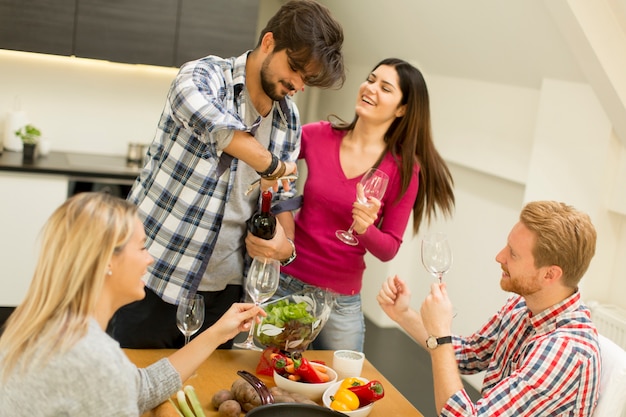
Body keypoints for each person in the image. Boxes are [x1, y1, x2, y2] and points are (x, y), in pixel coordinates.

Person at [109, 0, 345, 349]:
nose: (297, 84)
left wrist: (285, 245)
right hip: (154, 277)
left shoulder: (289, 118)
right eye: (295, 68)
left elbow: (281, 204)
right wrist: (272, 165)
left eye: (306, 79)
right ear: (269, 42)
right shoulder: (204, 76)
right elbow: (216, 127)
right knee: (129, 391)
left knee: (204, 396)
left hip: (226, 292)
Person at [246, 58, 455, 351]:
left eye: (385, 88)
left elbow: (388, 248)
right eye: (370, 80)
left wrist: (365, 228)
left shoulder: (404, 169)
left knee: (344, 388)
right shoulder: (318, 135)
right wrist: (283, 212)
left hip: (341, 302)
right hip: (285, 284)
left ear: (402, 109)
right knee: (256, 376)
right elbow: (272, 166)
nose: (371, 88)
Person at [0, 192, 263, 416]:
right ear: (107, 261)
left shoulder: (46, 328)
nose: (150, 260)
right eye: (141, 248)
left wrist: (218, 332)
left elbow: (141, 388)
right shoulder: (93, 357)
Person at [377, 200, 600, 416]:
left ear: (549, 274)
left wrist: (440, 335)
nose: (499, 257)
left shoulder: (566, 352)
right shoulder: (522, 306)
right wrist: (404, 314)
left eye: (513, 253)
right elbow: (468, 355)